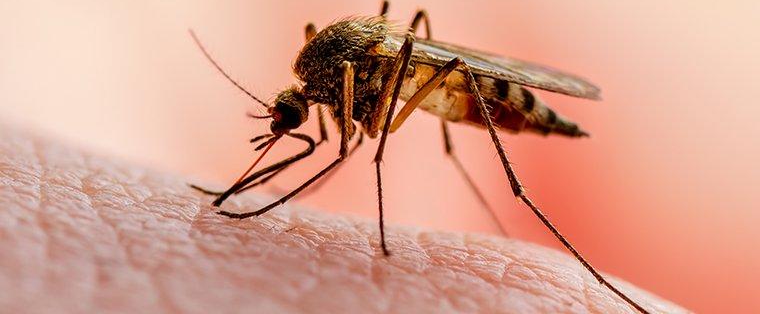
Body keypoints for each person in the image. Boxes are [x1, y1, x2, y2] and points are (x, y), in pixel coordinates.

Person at [0, 126, 686, 314]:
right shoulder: (323, 84)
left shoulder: (344, 81)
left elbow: (341, 144)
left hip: (441, 73)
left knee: (414, 72)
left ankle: (517, 198)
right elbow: (315, 139)